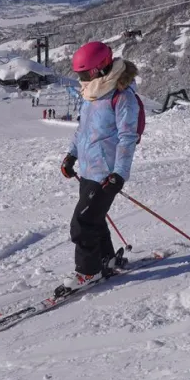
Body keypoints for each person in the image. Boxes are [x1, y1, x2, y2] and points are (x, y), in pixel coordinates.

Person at [57, 41, 140, 295]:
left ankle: (88, 271)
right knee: (95, 218)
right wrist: (71, 155)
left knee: (83, 222)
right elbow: (83, 130)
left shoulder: (122, 97)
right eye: (80, 75)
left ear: (101, 68)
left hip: (106, 172)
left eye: (85, 74)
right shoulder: (92, 94)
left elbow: (128, 138)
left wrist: (119, 174)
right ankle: (105, 259)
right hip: (88, 169)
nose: (82, 80)